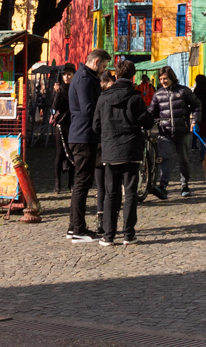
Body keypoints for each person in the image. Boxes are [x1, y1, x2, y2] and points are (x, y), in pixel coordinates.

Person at [91, 57, 150, 246]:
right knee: (130, 193)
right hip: (131, 150)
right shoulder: (135, 97)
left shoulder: (104, 98)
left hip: (110, 150)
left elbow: (96, 126)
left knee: (110, 193)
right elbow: (147, 121)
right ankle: (128, 234)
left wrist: (108, 136)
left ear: (116, 75)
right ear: (133, 76)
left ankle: (108, 236)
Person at [63, 50, 108, 244]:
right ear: (96, 62)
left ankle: (74, 227)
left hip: (82, 135)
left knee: (81, 183)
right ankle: (78, 229)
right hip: (83, 137)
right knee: (82, 183)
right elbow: (88, 108)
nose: (104, 70)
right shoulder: (84, 78)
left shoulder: (85, 77)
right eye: (104, 66)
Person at [150, 70, 196, 196]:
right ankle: (163, 186)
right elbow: (152, 111)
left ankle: (185, 185)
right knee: (165, 159)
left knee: (184, 160)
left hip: (183, 132)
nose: (163, 81)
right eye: (161, 79)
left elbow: (196, 105)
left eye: (165, 78)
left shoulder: (183, 91)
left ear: (171, 77)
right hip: (165, 133)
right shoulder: (158, 94)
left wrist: (194, 121)